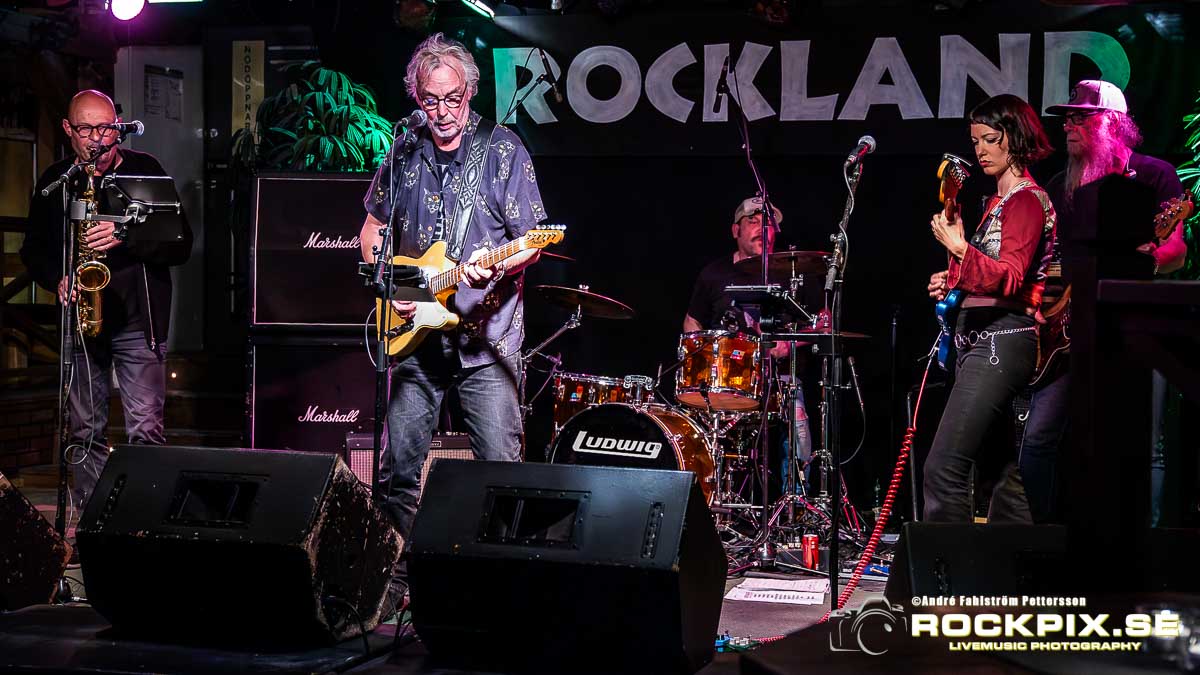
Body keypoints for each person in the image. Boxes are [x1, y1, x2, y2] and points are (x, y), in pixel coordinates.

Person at [358, 33, 547, 614]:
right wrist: (399, 290)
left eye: (453, 99)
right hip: (415, 342)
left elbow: (533, 241)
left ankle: (502, 594)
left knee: (500, 470)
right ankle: (394, 589)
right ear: (416, 97)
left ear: (471, 92)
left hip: (486, 343)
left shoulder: (503, 149)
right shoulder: (404, 150)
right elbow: (372, 230)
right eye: (431, 100)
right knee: (397, 470)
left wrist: (497, 268)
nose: (442, 112)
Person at [1018, 80, 1186, 524]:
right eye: (1067, 120)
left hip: (1138, 325)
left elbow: (1175, 251)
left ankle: (1147, 545)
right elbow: (1047, 257)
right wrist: (1040, 302)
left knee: (1144, 440)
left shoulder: (1153, 174)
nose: (1068, 127)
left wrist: (1149, 259)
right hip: (1069, 330)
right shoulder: (1061, 184)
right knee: (1040, 437)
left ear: (1112, 123)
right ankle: (1046, 538)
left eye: (1080, 118)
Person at [20, 90, 192, 511]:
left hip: (138, 322)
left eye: (106, 129)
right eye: (86, 129)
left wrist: (125, 236)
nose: (97, 139)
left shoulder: (146, 171)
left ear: (118, 128)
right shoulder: (58, 181)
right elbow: (33, 250)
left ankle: (142, 520)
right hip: (83, 323)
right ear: (68, 129)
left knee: (145, 432)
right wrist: (57, 279)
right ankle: (92, 521)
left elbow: (181, 243)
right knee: (84, 433)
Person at [924, 94, 1056, 523]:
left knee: (944, 468)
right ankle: (1014, 560)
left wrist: (960, 248)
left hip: (1001, 339)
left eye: (990, 139)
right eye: (975, 140)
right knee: (1004, 472)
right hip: (980, 338)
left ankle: (948, 565)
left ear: (1014, 138)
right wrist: (953, 278)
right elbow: (987, 273)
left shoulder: (1026, 200)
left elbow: (1012, 278)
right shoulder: (996, 204)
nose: (980, 149)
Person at [683, 196, 814, 494]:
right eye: (752, 222)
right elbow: (692, 321)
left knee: (798, 427)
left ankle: (796, 505)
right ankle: (708, 500)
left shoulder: (794, 271)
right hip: (728, 378)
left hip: (780, 377)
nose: (760, 229)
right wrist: (703, 357)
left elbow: (824, 321)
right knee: (701, 435)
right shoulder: (715, 273)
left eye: (767, 224)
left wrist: (787, 345)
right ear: (736, 230)